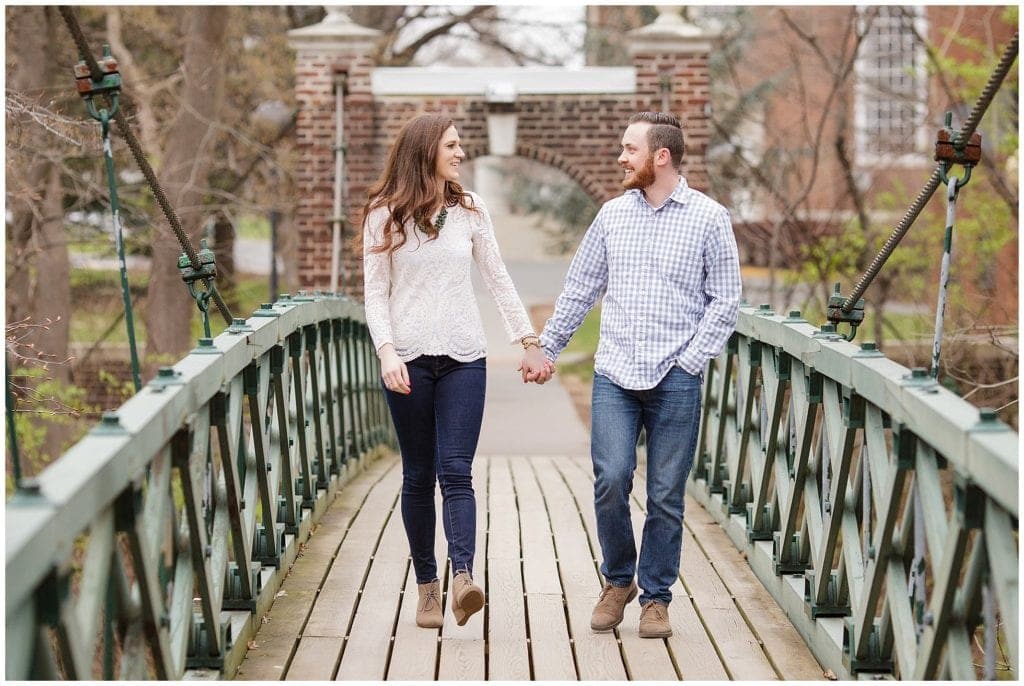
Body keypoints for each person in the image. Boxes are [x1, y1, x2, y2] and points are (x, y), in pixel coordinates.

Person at [538, 111, 742, 638]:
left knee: (666, 495)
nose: (621, 157)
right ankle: (618, 580)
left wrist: (690, 362)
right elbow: (581, 286)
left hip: (676, 375)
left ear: (661, 156)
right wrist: (548, 348)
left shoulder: (709, 218)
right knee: (610, 479)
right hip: (616, 373)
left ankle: (656, 597)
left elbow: (726, 301)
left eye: (630, 149)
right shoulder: (611, 216)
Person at [361, 113, 553, 630]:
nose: (461, 152)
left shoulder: (470, 210)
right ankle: (428, 586)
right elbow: (375, 292)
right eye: (452, 145)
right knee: (419, 475)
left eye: (459, 145)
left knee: (457, 471)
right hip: (408, 360)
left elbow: (498, 278)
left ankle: (463, 577)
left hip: (465, 357)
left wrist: (529, 342)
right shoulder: (383, 214)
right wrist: (386, 352)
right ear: (425, 151)